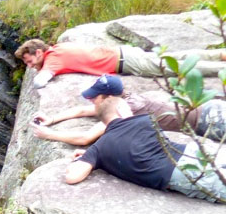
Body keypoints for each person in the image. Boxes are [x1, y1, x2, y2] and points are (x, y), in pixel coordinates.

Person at [64, 97, 226, 203]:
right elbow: (134, 143)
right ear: (121, 110)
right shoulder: (145, 120)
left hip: (178, 173)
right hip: (193, 152)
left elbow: (72, 177)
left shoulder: (100, 148)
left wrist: (89, 158)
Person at [32, 74, 226, 145]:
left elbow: (85, 138)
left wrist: (50, 135)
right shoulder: (120, 98)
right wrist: (52, 118)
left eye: (94, 97)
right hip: (209, 108)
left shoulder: (124, 110)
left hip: (212, 122)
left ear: (108, 97)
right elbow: (82, 111)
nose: (91, 100)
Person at [15, 39, 226, 88]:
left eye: (30, 60)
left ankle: (220, 68)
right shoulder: (58, 47)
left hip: (125, 62)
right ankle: (218, 55)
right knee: (174, 57)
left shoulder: (52, 60)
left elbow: (40, 82)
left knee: (175, 68)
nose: (30, 65)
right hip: (123, 51)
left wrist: (38, 72)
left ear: (40, 52)